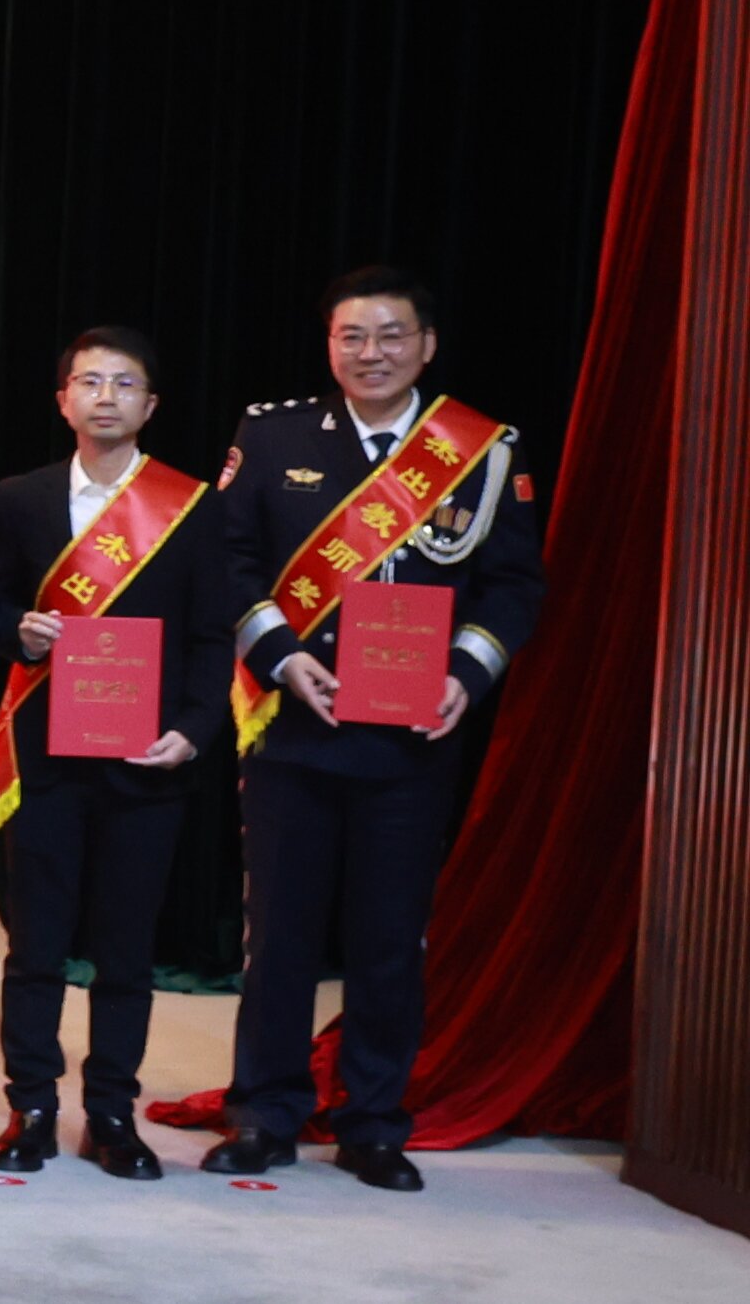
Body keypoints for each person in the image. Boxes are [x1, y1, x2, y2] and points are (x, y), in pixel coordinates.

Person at [203, 264, 546, 1191]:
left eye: (392, 335)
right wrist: (280, 654)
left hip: (411, 738)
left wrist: (465, 675)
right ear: (330, 346)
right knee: (278, 936)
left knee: (390, 941)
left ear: (426, 346)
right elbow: (229, 561)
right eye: (352, 336)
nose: (371, 352)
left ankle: (373, 1122)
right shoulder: (272, 436)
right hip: (294, 724)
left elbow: (513, 586)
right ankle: (265, 1113)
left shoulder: (482, 450)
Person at [0, 323, 233, 1179]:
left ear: (151, 404)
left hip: (146, 758)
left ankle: (111, 1110)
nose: (106, 397)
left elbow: (211, 633)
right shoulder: (20, 499)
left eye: (124, 384)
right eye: (90, 382)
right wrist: (21, 631)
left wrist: (194, 727)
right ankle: (31, 1104)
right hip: (45, 755)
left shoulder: (188, 505)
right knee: (35, 944)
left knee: (125, 950)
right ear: (63, 400)